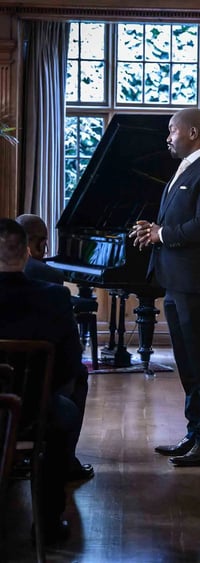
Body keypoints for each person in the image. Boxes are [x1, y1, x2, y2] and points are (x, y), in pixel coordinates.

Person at [130, 108, 200, 467]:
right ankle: (195, 434)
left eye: (172, 130)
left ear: (193, 132)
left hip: (199, 284)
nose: (168, 137)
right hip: (177, 282)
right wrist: (154, 229)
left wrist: (163, 234)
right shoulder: (189, 167)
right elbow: (178, 221)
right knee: (187, 364)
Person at [0, 217, 91, 542]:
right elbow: (68, 365)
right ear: (26, 254)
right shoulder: (53, 297)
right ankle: (48, 523)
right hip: (31, 412)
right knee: (63, 412)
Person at [15, 213, 94, 482]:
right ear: (37, 246)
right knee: (78, 378)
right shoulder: (50, 281)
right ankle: (64, 464)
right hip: (29, 403)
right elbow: (70, 359)